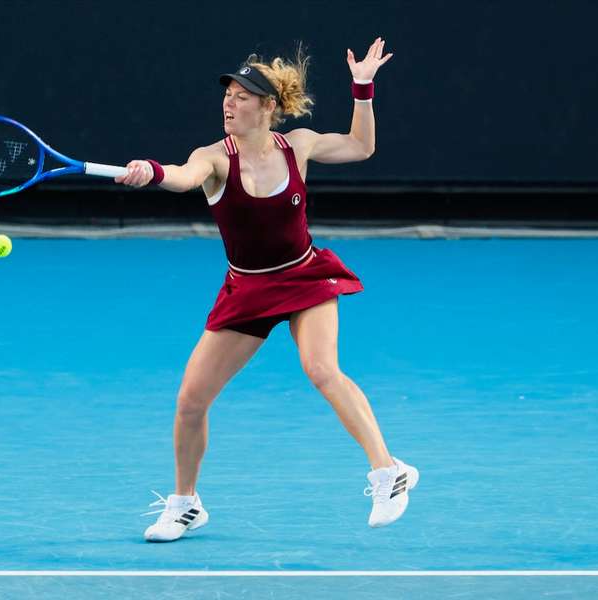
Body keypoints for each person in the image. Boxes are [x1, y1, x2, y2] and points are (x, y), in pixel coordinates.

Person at [117, 38, 418, 543]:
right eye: (227, 95)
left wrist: (362, 87)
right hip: (248, 290)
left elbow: (360, 146)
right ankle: (185, 504)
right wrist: (153, 172)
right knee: (190, 401)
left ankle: (389, 472)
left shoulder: (297, 145)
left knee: (322, 369)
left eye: (241, 97)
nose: (229, 104)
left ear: (268, 107)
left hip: (303, 277)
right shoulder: (214, 157)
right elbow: (185, 177)